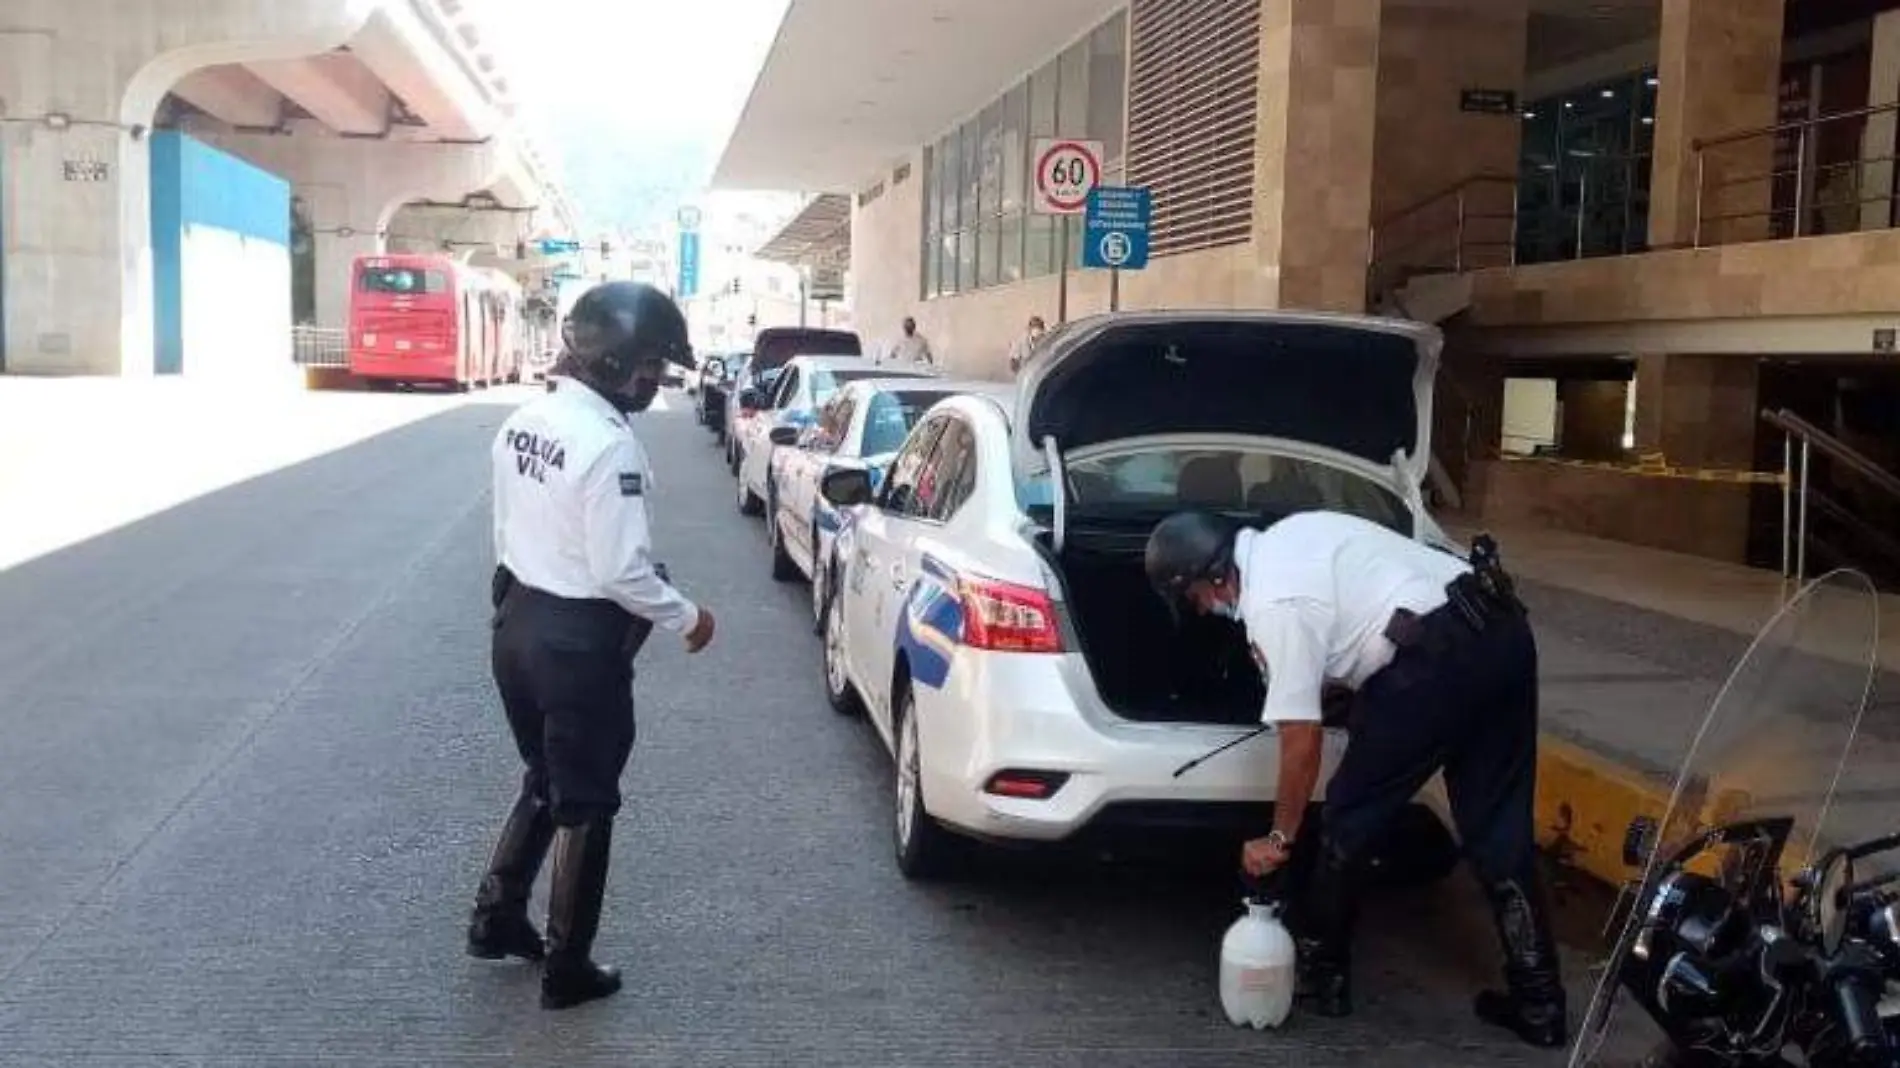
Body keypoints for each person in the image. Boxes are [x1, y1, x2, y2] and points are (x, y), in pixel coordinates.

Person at [1143, 509, 1566, 1049]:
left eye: (1197, 600)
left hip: (1432, 663)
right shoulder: (1292, 534)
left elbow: (1301, 743)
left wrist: (1278, 839)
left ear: (1215, 578)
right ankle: (1541, 1005)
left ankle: (1324, 977)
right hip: (1500, 631)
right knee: (1497, 827)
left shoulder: (1273, 605)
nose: (1205, 611)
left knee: (1346, 816)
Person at [467, 280, 717, 1011]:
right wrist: (687, 617)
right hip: (577, 643)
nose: (656, 383)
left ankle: (497, 917)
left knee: (545, 776)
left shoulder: (525, 420)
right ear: (613, 362)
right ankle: (566, 967)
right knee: (587, 802)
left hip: (515, 625)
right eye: (651, 367)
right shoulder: (610, 447)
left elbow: (511, 529)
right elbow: (620, 572)